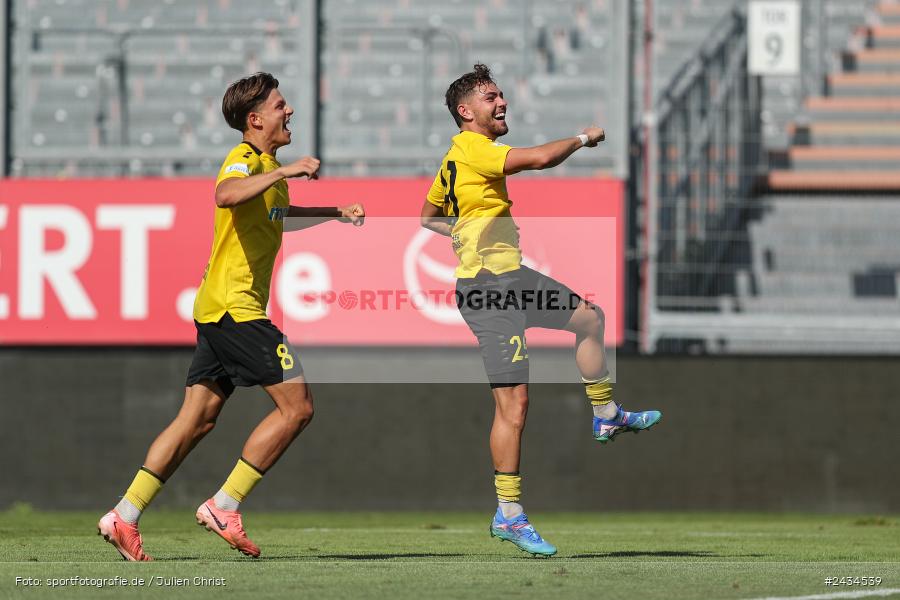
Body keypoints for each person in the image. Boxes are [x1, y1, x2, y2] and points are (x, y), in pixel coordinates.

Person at [98, 72, 365, 561]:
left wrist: (332, 211)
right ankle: (225, 504)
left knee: (195, 420)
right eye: (282, 105)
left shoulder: (267, 169)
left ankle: (124, 514)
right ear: (255, 118)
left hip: (216, 309)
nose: (290, 113)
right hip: (236, 310)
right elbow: (225, 194)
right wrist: (285, 173)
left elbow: (276, 215)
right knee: (297, 407)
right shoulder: (245, 160)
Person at [420, 64, 661, 557]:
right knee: (514, 405)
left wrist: (463, 229)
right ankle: (509, 514)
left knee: (589, 319)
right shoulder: (473, 148)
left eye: (502, 93)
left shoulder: (455, 158)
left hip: (514, 279)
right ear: (466, 112)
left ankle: (606, 413)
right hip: (489, 291)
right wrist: (582, 137)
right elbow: (539, 158)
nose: (502, 101)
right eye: (491, 97)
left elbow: (428, 218)